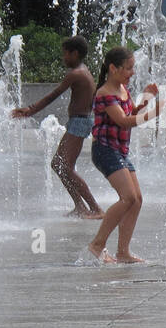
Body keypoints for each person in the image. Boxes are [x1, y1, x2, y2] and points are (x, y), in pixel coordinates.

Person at [86, 46, 164, 263]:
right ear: (113, 68)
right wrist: (152, 114)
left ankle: (122, 252)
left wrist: (145, 101)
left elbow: (130, 114)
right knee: (128, 197)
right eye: (128, 68)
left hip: (119, 151)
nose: (132, 73)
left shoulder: (122, 90)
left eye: (133, 68)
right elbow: (122, 121)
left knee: (137, 200)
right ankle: (97, 244)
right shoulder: (104, 94)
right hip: (104, 150)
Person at [12, 36, 103, 218]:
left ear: (74, 53)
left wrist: (30, 110)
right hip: (78, 121)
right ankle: (80, 206)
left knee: (66, 167)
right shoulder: (82, 71)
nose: (64, 58)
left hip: (80, 122)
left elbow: (52, 95)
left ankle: (95, 208)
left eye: (65, 54)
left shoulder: (77, 73)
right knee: (57, 164)